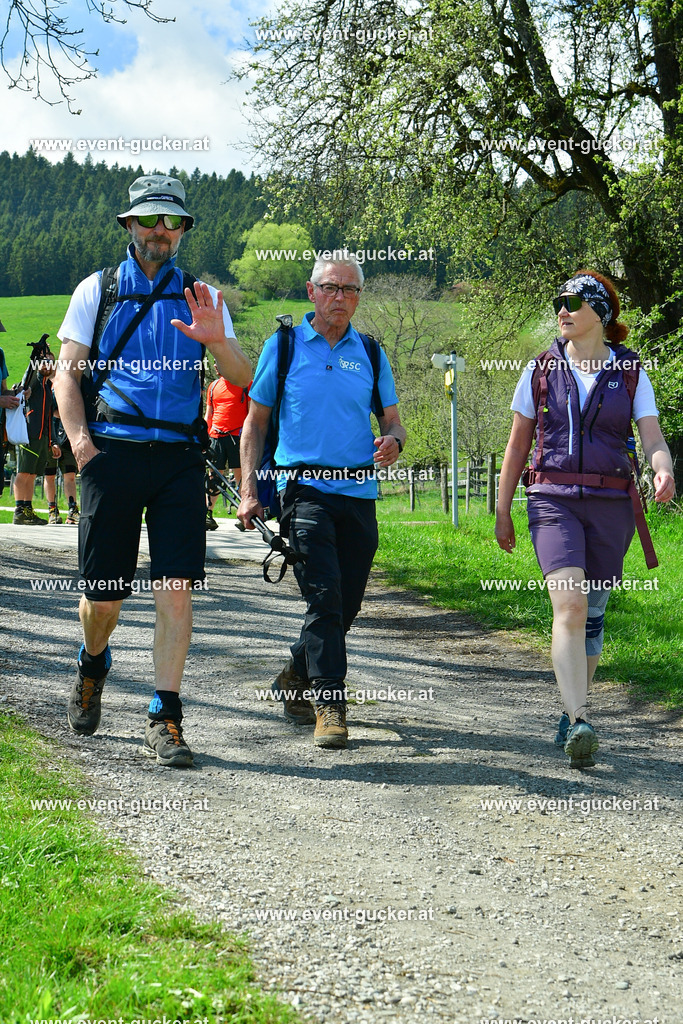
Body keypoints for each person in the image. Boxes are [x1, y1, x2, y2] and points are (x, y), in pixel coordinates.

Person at [54, 174, 251, 767]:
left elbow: (242, 378)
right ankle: (94, 662)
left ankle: (165, 716)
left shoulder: (203, 296)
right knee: (104, 599)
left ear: (184, 231)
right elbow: (66, 371)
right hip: (111, 454)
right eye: (149, 220)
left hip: (178, 462)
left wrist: (217, 341)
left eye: (172, 222)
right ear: (130, 225)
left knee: (176, 590)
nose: (160, 231)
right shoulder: (99, 288)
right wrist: (82, 445)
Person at [496, 270, 675, 768]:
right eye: (559, 301)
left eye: (574, 301)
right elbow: (516, 445)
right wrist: (501, 506)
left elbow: (653, 439)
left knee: (592, 615)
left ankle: (574, 710)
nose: (563, 309)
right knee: (570, 607)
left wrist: (663, 470)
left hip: (612, 503)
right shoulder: (540, 370)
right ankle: (578, 720)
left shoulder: (631, 372)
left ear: (601, 313)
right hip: (552, 499)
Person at [237, 254, 406, 749]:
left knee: (345, 604)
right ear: (311, 292)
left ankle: (295, 670)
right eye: (331, 288)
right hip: (304, 490)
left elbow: (393, 420)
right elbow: (256, 422)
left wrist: (394, 441)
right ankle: (329, 703)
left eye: (350, 290)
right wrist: (250, 490)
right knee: (325, 597)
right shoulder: (284, 346)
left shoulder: (371, 353)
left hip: (358, 492)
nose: (340, 298)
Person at [12, 349, 62, 525]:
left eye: (50, 362)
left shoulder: (48, 386)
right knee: (23, 471)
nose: (47, 365)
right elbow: (27, 375)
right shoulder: (34, 381)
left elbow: (50, 416)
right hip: (28, 433)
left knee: (32, 474)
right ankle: (19, 511)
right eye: (43, 361)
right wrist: (38, 352)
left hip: (43, 436)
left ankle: (27, 509)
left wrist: (53, 441)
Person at [205, 363, 250, 530]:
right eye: (215, 364)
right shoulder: (213, 386)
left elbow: (252, 414)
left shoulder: (245, 384)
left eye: (219, 363)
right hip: (216, 436)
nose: (216, 366)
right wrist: (205, 436)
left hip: (237, 437)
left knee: (240, 476)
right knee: (213, 477)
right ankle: (207, 514)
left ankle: (243, 513)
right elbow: (209, 414)